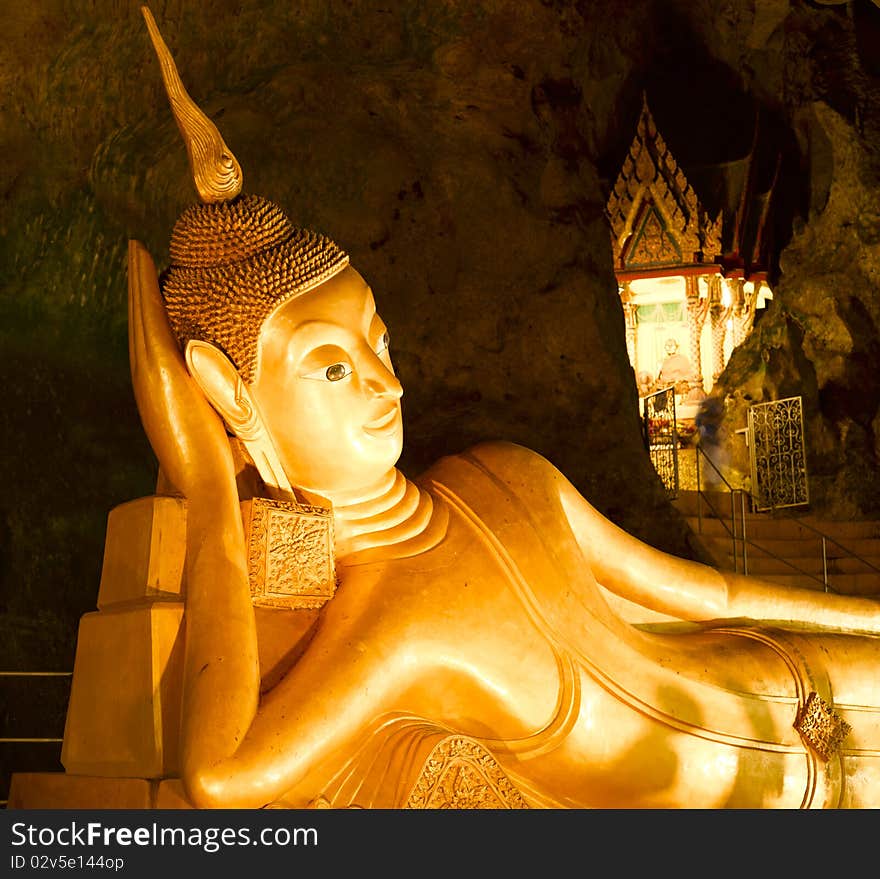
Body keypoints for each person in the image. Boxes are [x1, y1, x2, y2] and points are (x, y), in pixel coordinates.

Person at [128, 8, 880, 809]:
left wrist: (871, 618)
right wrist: (209, 478)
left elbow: (711, 597)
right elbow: (220, 775)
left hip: (784, 678)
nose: (389, 385)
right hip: (750, 797)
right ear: (227, 391)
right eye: (335, 368)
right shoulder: (388, 625)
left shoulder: (505, 473)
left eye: (380, 344)